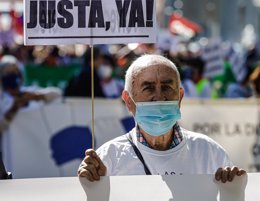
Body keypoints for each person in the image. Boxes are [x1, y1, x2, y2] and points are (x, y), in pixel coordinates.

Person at [78, 54, 246, 183]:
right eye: (148, 88)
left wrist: (232, 191)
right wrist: (92, 185)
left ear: (179, 97)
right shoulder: (108, 159)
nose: (159, 96)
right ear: (129, 101)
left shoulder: (209, 152)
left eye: (166, 87)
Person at [0, 55, 61, 140]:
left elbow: (58, 94)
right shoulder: (2, 98)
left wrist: (37, 96)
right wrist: (14, 108)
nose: (13, 75)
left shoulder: (30, 91)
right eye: (9, 72)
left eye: (16, 71)